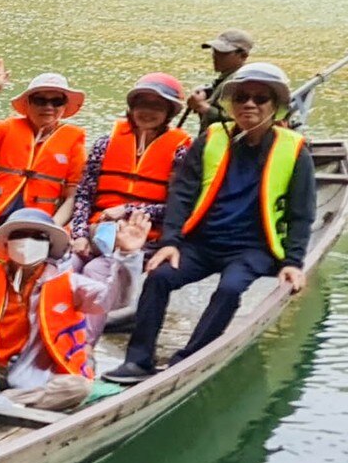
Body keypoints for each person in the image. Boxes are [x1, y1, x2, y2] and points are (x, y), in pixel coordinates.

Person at [105, 62, 313, 383]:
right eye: (242, 97)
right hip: (203, 241)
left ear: (276, 106)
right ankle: (138, 360)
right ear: (231, 104)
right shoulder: (213, 138)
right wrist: (170, 242)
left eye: (260, 99)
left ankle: (186, 361)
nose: (250, 104)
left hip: (253, 247)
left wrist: (294, 261)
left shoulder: (294, 149)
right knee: (159, 276)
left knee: (229, 289)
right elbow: (183, 194)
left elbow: (302, 211)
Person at [0, 207, 141, 411]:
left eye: (37, 237)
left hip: (37, 372)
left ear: (48, 246)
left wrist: (127, 255)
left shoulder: (68, 283)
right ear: (6, 243)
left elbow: (110, 301)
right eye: (20, 235)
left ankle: (9, 400)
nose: (27, 242)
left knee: (79, 387)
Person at [0, 57, 88, 234]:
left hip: (37, 222)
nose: (48, 107)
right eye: (40, 100)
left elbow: (72, 197)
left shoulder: (74, 140)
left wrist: (51, 227)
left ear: (64, 106)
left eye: (56, 101)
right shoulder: (8, 128)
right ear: (28, 103)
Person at [66, 73, 188, 247]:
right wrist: (80, 235)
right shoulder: (104, 144)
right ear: (132, 107)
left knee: (97, 270)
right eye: (142, 104)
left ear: (169, 112)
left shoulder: (181, 153)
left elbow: (179, 207)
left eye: (157, 106)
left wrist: (127, 210)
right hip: (98, 230)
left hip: (145, 238)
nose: (148, 111)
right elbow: (84, 195)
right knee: (67, 266)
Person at [187, 28, 257, 129]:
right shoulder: (228, 76)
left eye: (223, 53)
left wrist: (202, 107)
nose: (215, 56)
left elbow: (243, 119)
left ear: (243, 56)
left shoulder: (242, 82)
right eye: (215, 51)